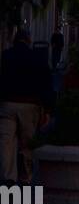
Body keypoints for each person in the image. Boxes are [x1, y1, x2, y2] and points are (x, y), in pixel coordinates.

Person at [0, 28, 54, 183]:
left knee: (6, 143)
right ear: (29, 41)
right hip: (30, 105)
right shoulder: (37, 58)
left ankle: (7, 177)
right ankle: (26, 176)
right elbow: (46, 85)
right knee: (27, 144)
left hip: (7, 104)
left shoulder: (5, 56)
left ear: (14, 40)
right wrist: (47, 109)